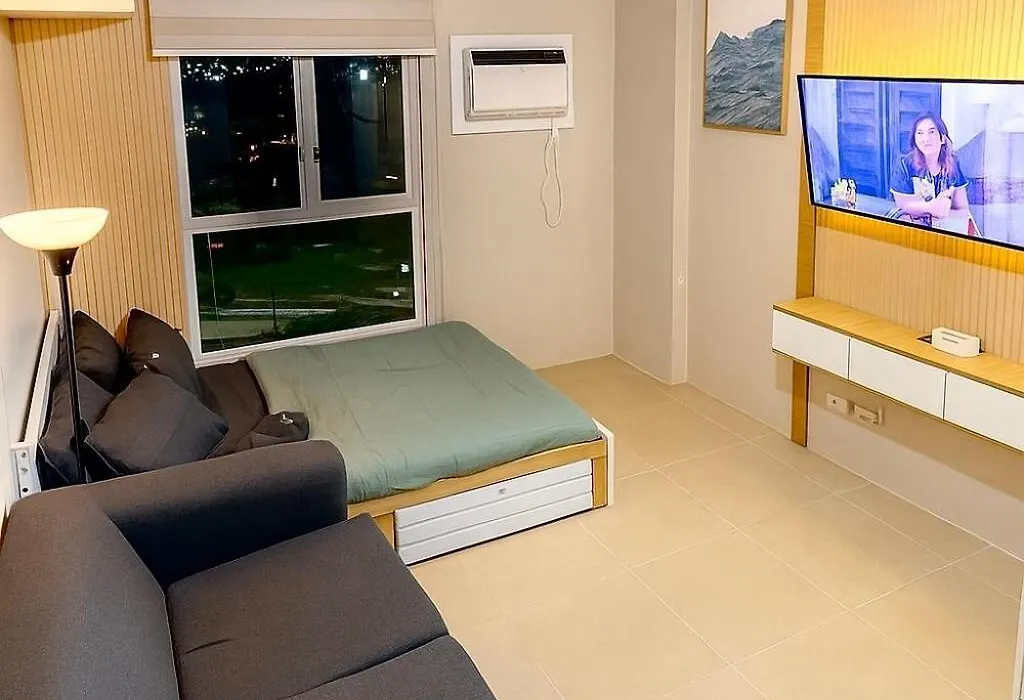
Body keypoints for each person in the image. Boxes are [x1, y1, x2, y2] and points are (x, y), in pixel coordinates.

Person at [890, 112, 971, 224]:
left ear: (942, 138)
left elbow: (963, 210)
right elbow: (903, 207)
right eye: (920, 133)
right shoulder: (904, 165)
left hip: (943, 227)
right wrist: (932, 208)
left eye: (931, 132)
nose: (926, 139)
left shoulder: (953, 164)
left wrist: (944, 213)